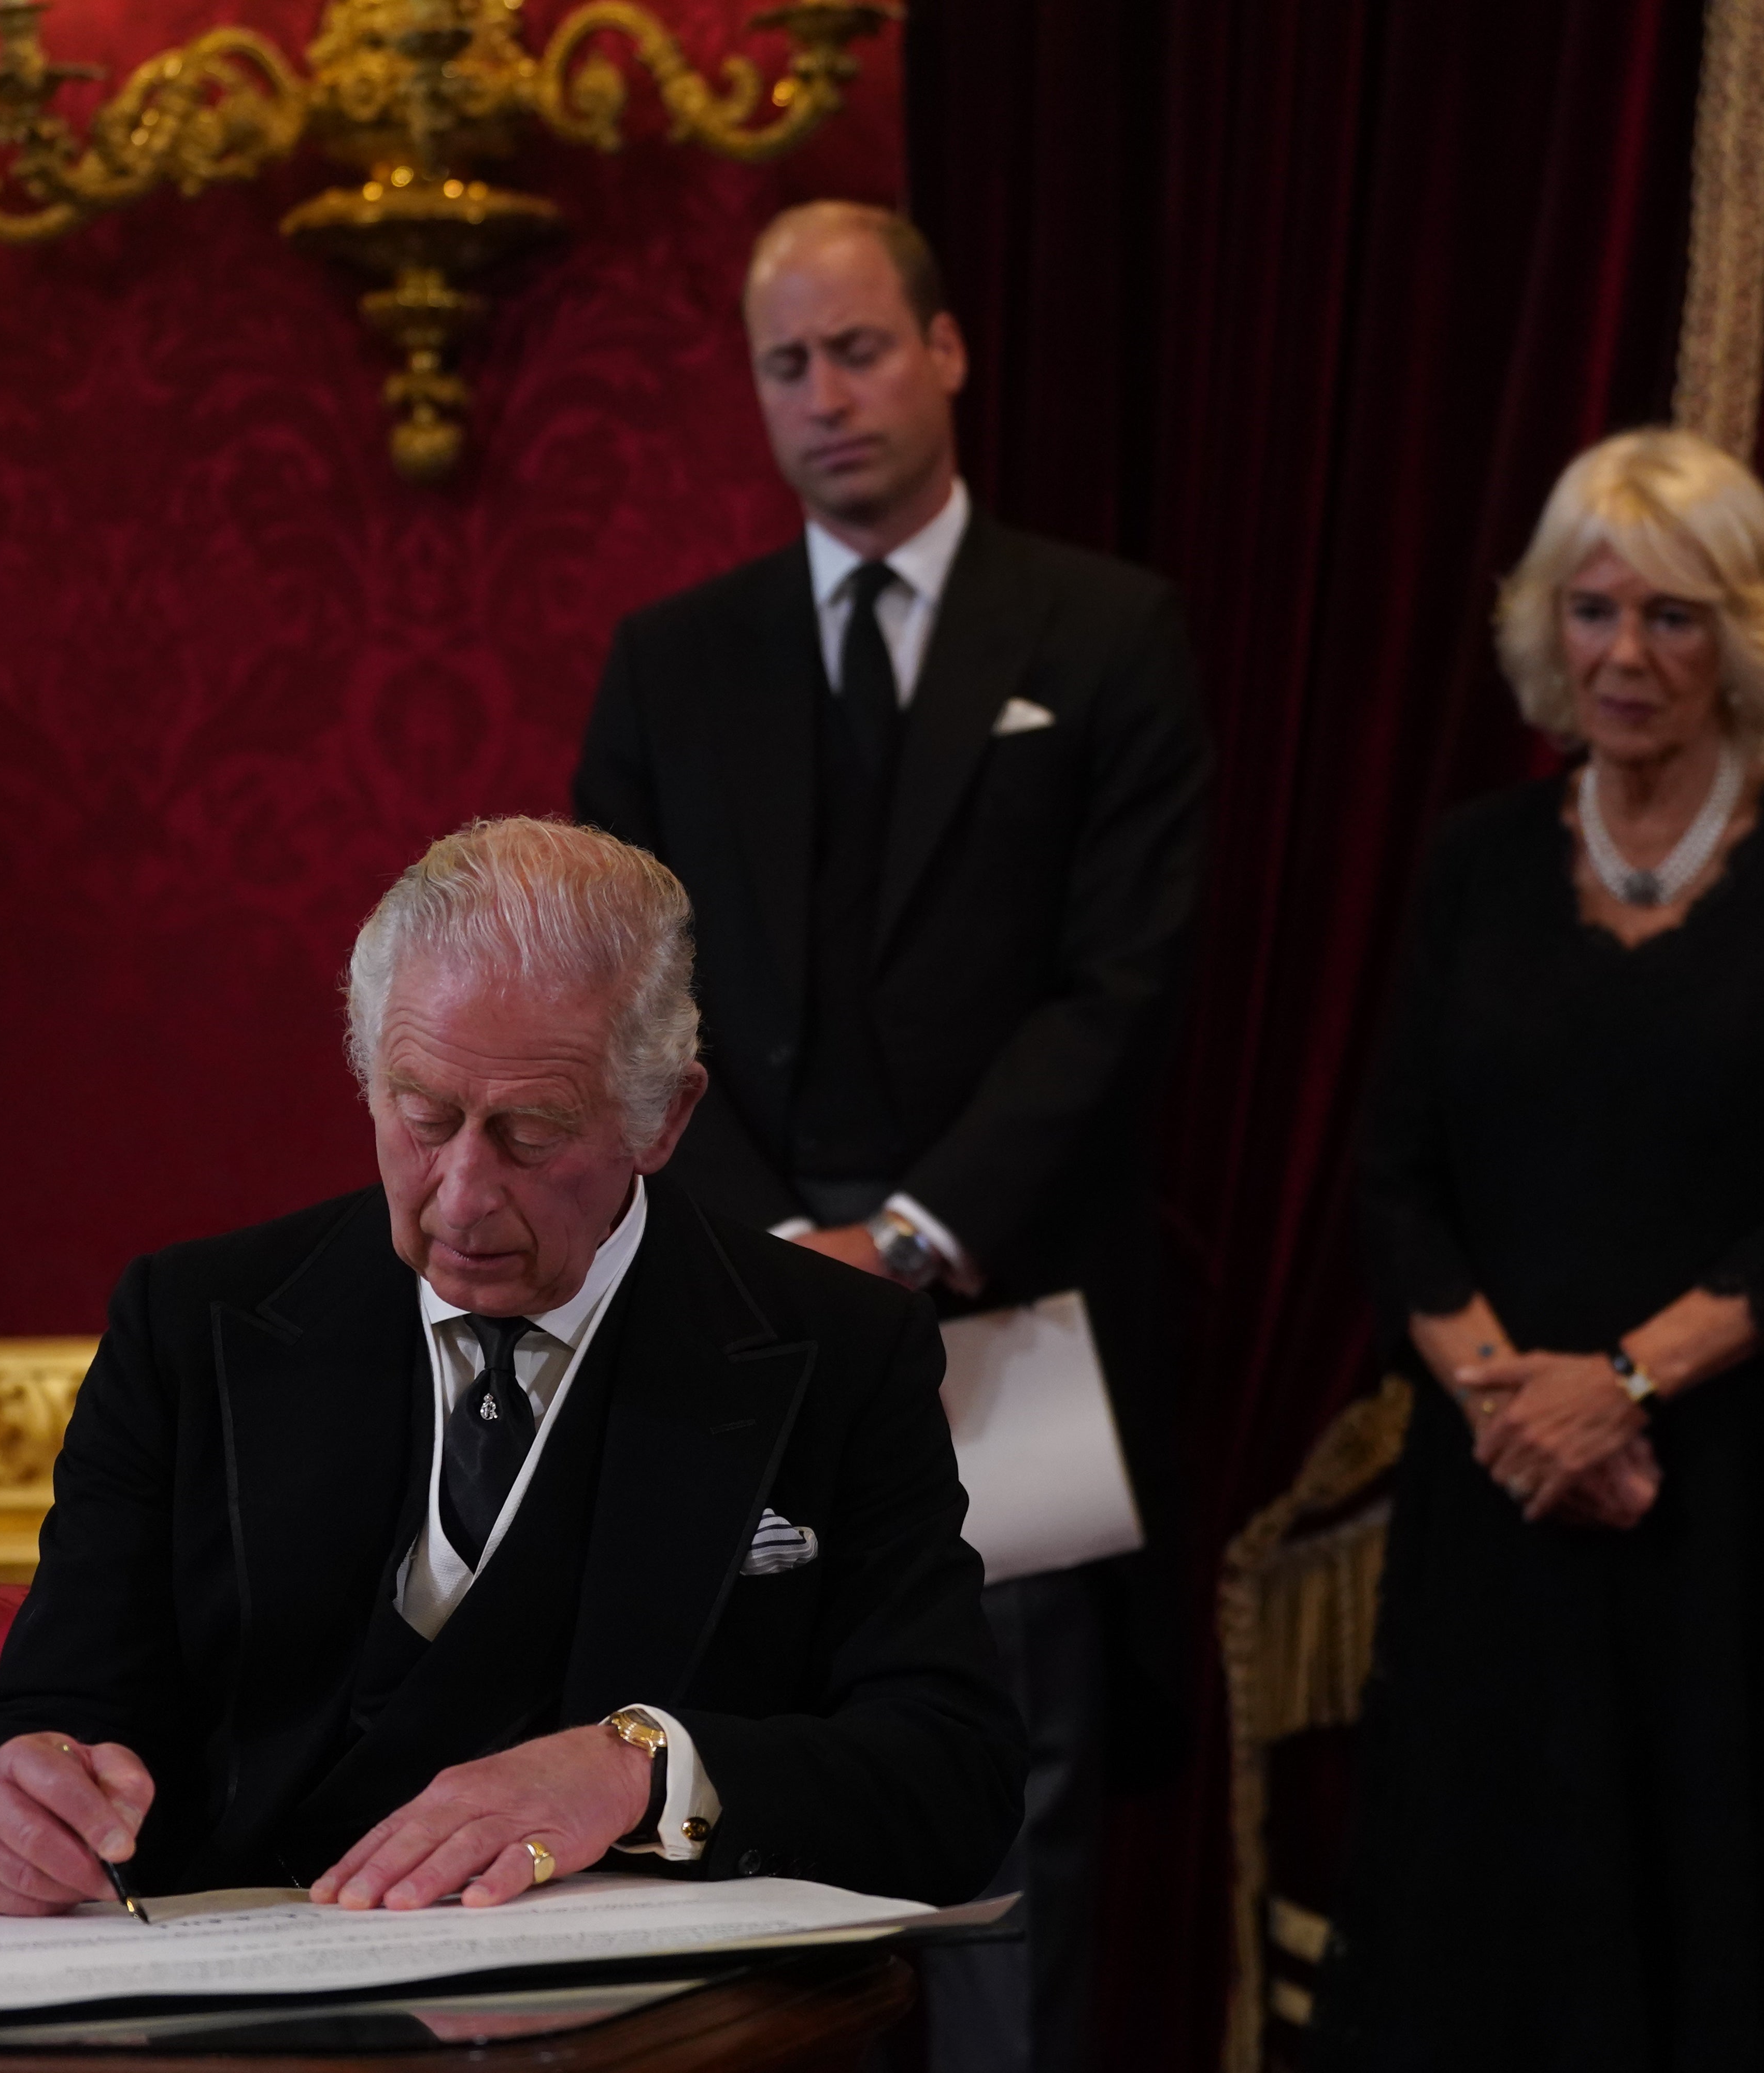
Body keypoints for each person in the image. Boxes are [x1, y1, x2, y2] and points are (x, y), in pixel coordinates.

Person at [0, 818, 1023, 1916]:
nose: (461, 1193)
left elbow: (952, 1780)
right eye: (424, 1113)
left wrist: (640, 1769)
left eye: (531, 1131)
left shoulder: (839, 1349)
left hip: (649, 2023)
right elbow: (54, 1712)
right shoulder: (190, 1324)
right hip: (247, 2002)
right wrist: (13, 1804)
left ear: (666, 1116)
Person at [572, 202, 1211, 2071]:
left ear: (945, 353)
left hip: (1006, 1347)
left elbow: (1125, 988)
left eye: (860, 349)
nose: (829, 395)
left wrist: (911, 1244)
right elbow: (616, 1006)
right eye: (790, 365)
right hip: (735, 1341)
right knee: (723, 1840)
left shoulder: (1105, 632)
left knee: (1013, 1845)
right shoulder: (674, 664)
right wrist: (787, 1262)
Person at [1307, 428, 1764, 2068]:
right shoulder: (1472, 862)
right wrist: (1516, 1412)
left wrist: (1625, 1385)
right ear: (1548, 626)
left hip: (1748, 1503)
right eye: (1594, 610)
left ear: (1744, 640)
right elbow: (1392, 1175)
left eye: (1675, 617)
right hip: (1507, 1496)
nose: (1626, 654)